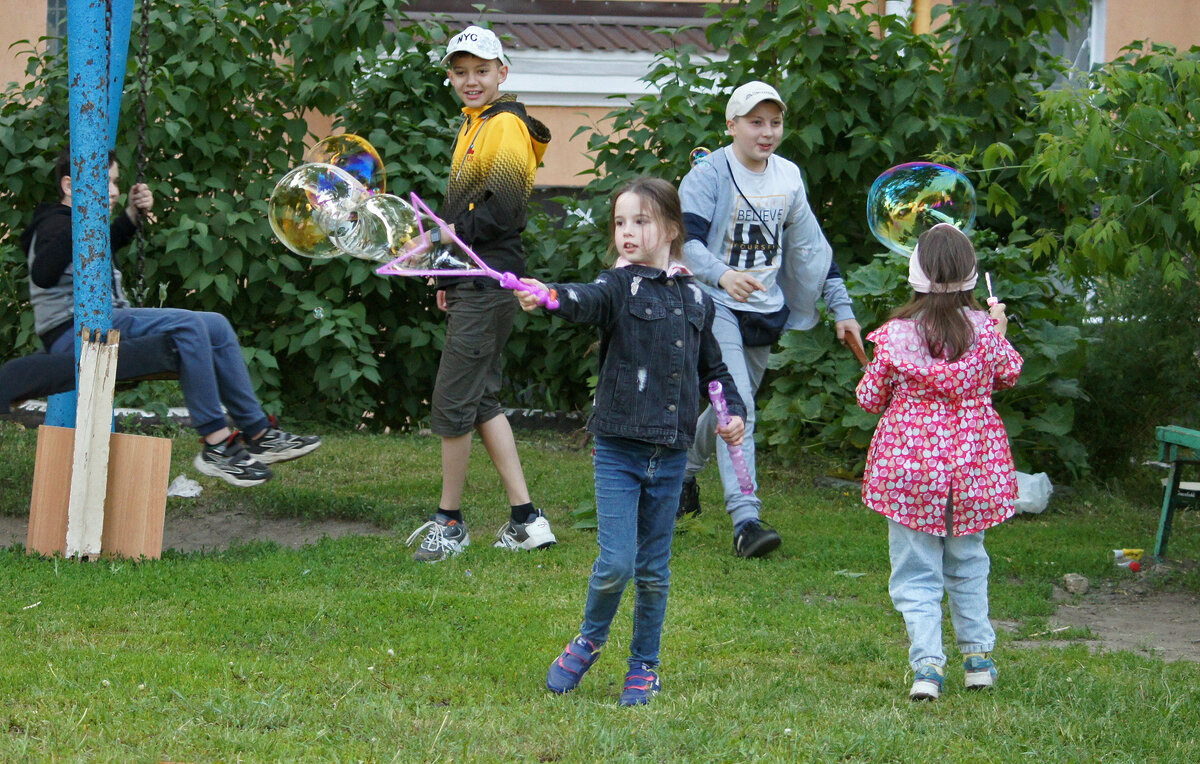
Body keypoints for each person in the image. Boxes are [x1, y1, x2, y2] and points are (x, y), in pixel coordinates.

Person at [516, 177, 747, 707]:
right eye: (620, 222)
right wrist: (549, 296)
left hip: (669, 455)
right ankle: (590, 638)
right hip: (619, 450)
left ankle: (644, 664)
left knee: (653, 570)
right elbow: (585, 299)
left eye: (640, 221)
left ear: (669, 229)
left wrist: (730, 415)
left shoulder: (695, 297)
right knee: (616, 562)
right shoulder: (620, 286)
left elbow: (713, 370)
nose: (627, 232)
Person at [20, 146, 321, 487]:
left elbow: (97, 246)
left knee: (216, 325)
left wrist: (131, 216)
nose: (115, 190)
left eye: (116, 181)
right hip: (73, 333)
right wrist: (83, 221)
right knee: (189, 325)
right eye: (104, 182)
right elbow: (44, 273)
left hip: (104, 321)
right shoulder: (54, 223)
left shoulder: (78, 225)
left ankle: (259, 432)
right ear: (71, 187)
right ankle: (216, 443)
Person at [676, 80, 863, 558]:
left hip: (764, 312)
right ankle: (746, 521)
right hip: (713, 305)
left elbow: (811, 250)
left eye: (775, 122)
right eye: (755, 122)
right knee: (739, 408)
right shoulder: (708, 174)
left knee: (727, 409)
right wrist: (722, 276)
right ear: (731, 124)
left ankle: (677, 477)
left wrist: (841, 309)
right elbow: (685, 245)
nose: (767, 132)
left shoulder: (788, 177)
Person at [404, 25, 556, 563]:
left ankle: (450, 522)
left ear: (502, 73)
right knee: (481, 399)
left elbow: (504, 210)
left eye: (482, 71)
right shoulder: (474, 125)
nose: (471, 80)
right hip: (476, 280)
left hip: (492, 280)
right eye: (461, 71)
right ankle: (526, 520)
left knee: (451, 402)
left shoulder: (506, 124)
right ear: (451, 76)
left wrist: (447, 239)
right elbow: (466, 210)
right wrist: (448, 273)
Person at [855, 223, 1022, 701]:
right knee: (969, 562)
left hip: (910, 475)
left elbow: (870, 399)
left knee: (915, 571)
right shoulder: (987, 331)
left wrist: (876, 369)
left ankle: (927, 668)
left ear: (915, 275)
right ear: (972, 278)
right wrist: (999, 329)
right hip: (973, 469)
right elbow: (1009, 373)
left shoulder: (893, 336)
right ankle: (979, 661)